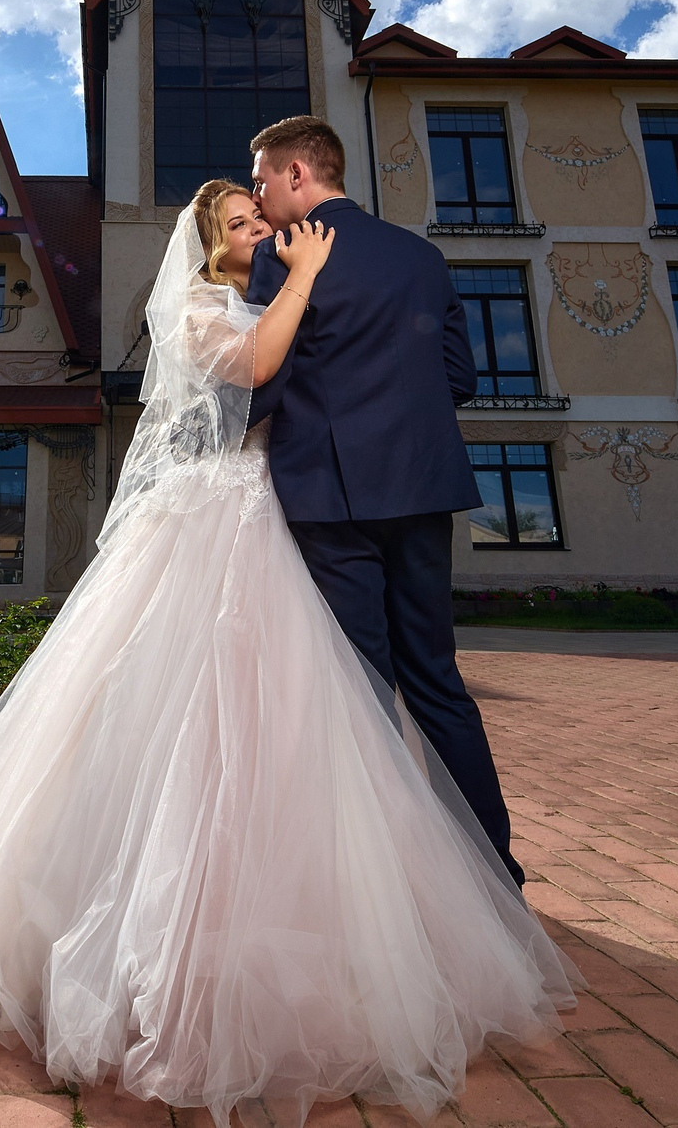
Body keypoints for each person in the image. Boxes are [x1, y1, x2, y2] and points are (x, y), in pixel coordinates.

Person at [0, 181, 573, 1128]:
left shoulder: (270, 287)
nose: (263, 230)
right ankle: (144, 936)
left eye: (261, 218)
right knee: (180, 720)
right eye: (243, 223)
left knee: (287, 725)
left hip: (274, 516)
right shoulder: (203, 307)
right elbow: (255, 365)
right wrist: (308, 276)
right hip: (207, 518)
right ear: (209, 247)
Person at [243, 114, 526, 883]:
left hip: (333, 499)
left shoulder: (283, 255)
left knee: (361, 687)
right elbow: (459, 378)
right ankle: (492, 872)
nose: (261, 194)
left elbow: (270, 376)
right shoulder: (422, 256)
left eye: (265, 177)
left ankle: (381, 885)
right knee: (437, 679)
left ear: (301, 174)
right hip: (424, 489)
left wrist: (219, 440)